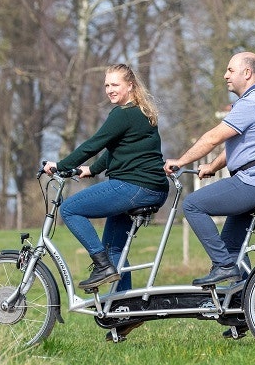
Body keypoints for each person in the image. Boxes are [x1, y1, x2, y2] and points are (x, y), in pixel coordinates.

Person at [44, 64, 169, 301]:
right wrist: (92, 169)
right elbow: (116, 149)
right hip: (151, 188)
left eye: (115, 85)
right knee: (113, 249)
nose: (109, 90)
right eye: (106, 85)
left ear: (130, 85)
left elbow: (94, 144)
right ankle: (125, 309)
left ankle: (102, 266)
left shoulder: (122, 114)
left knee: (69, 209)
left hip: (135, 186)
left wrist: (59, 166)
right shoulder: (141, 112)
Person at [164, 51, 255, 287]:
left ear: (247, 73)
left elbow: (212, 139)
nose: (225, 75)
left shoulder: (251, 103)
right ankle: (242, 305)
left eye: (230, 70)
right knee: (232, 247)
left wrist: (180, 161)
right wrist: (212, 166)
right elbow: (239, 148)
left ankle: (223, 266)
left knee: (193, 204)